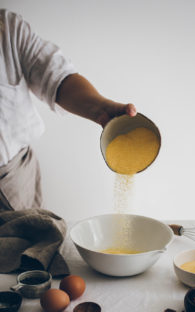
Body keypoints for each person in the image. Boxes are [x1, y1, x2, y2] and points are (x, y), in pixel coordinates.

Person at [0, 9, 137, 211]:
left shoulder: (8, 26)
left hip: (17, 180)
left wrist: (101, 108)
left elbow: (58, 78)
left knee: (38, 241)